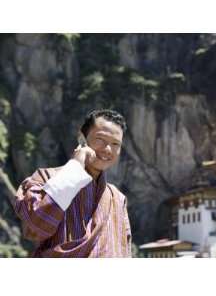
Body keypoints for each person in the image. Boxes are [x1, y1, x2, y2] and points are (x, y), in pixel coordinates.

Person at [13, 109, 132, 257]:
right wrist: (76, 166)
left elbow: (124, 251)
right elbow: (36, 226)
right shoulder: (45, 178)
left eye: (115, 144)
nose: (108, 149)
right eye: (101, 139)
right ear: (82, 138)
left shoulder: (117, 198)